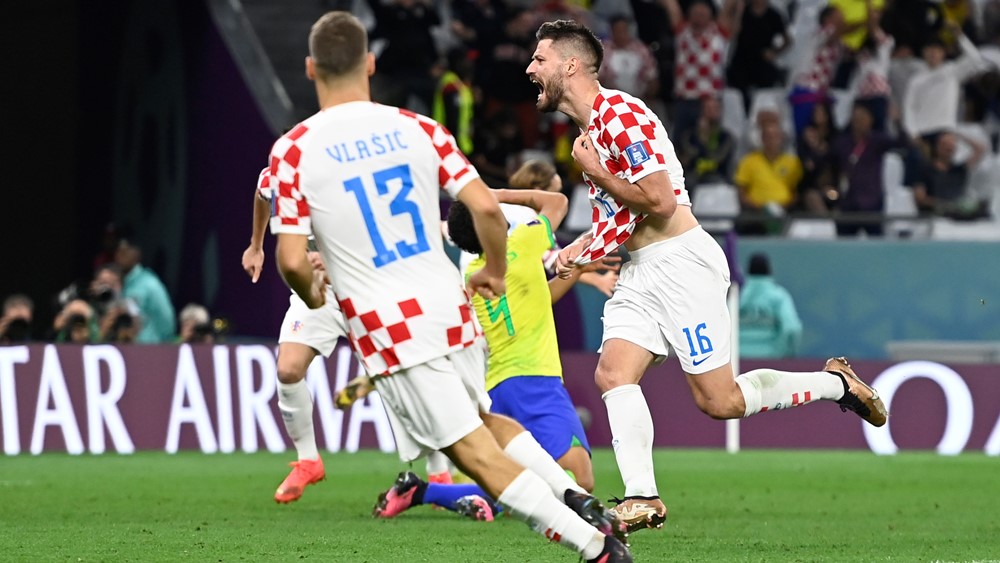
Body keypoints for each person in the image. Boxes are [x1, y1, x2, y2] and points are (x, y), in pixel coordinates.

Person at [268, 12, 630, 562]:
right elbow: (483, 206)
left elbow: (293, 259)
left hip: (390, 327)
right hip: (449, 310)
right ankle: (574, 496)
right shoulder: (421, 128)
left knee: (471, 453)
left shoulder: (295, 150)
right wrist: (494, 268)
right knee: (484, 422)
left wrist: (314, 293)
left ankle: (595, 547)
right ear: (370, 64)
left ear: (311, 69)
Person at [526, 19, 888, 534]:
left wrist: (597, 179)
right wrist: (575, 252)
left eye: (539, 59)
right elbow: (621, 219)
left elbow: (659, 201)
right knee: (612, 374)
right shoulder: (590, 135)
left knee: (721, 402)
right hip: (640, 271)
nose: (530, 68)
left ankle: (835, 384)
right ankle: (642, 497)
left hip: (681, 264)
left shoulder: (620, 114)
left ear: (570, 65)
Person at [371, 187, 615, 521]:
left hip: (497, 386)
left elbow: (537, 297)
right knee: (579, 478)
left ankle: (420, 491)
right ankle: (435, 493)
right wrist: (492, 193)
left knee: (515, 479)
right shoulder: (523, 243)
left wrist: (577, 272)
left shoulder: (473, 274)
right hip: (534, 380)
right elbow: (556, 201)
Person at [909, 129, 989, 218]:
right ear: (936, 147)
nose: (949, 148)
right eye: (944, 144)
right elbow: (920, 198)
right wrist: (946, 205)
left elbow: (980, 149)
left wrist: (957, 134)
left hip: (957, 216)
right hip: (933, 217)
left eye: (952, 144)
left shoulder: (959, 170)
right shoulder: (924, 170)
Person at [739, 253, 803, 359]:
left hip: (737, 360)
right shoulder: (779, 296)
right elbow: (791, 329)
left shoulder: (736, 296)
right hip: (771, 360)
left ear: (747, 270)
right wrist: (786, 353)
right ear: (770, 270)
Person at [115, 239, 176, 343]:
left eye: (124, 252)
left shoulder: (149, 283)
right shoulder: (122, 283)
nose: (119, 256)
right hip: (128, 347)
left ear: (136, 254)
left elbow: (166, 318)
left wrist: (163, 346)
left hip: (149, 346)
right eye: (117, 252)